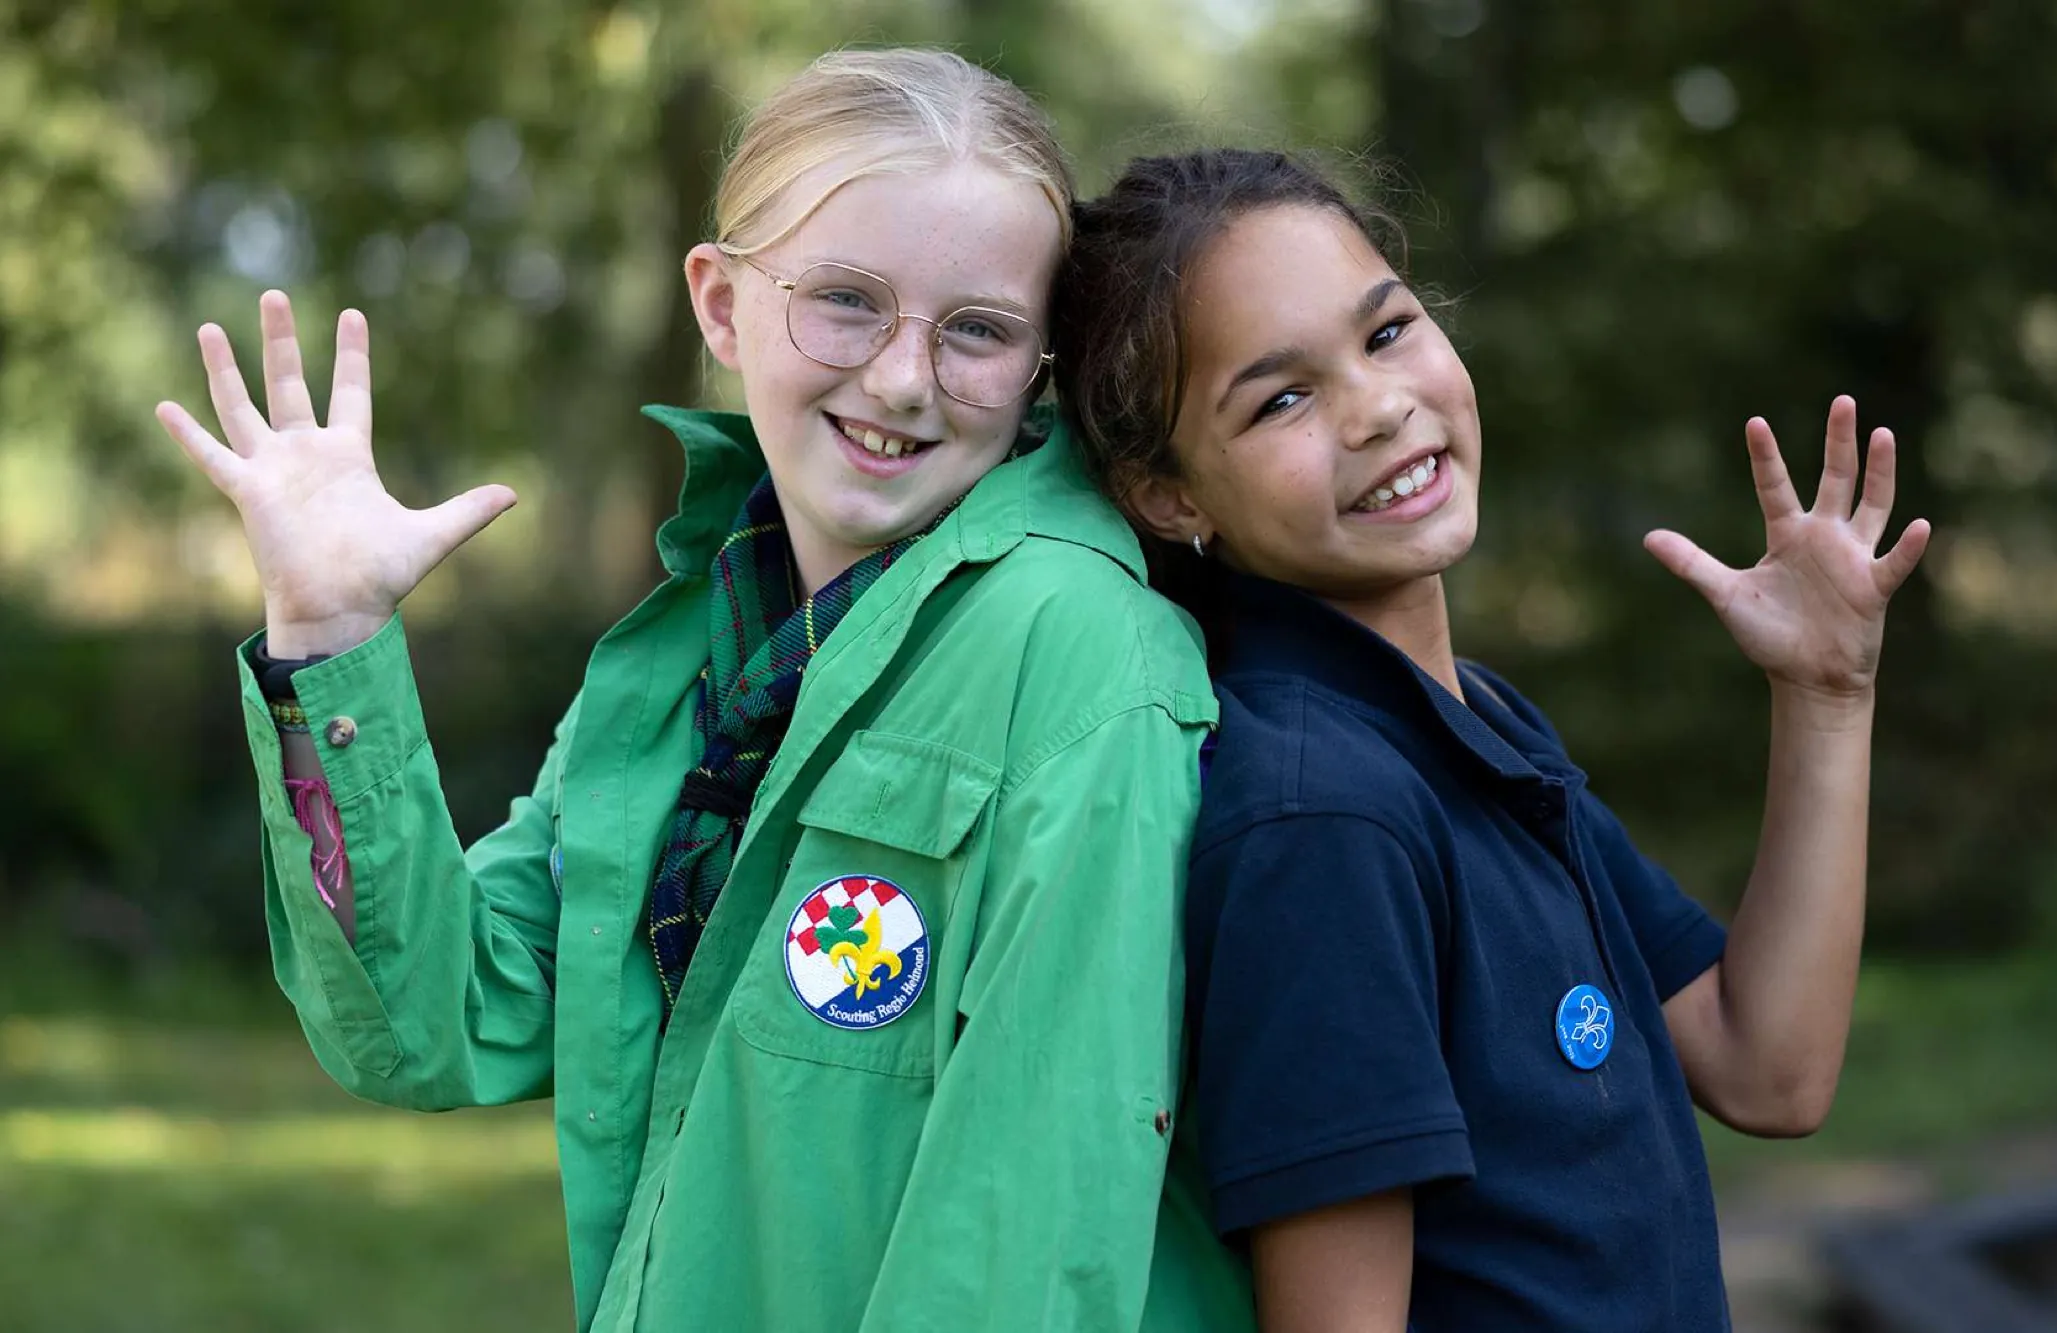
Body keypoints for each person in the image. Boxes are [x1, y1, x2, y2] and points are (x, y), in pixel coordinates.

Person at [154, 50, 1250, 1333]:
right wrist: (329, 632)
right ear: (721, 307)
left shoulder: (1082, 653)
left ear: (1039, 364)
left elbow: (1033, 1216)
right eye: (845, 301)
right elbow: (441, 1019)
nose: (904, 378)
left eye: (977, 331)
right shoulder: (691, 647)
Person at [1051, 148, 1931, 1332]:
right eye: (1281, 399)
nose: (1377, 406)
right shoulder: (1325, 819)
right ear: (1168, 495)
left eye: (1387, 331)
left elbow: (1765, 1062)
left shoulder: (1471, 719)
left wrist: (1827, 696)